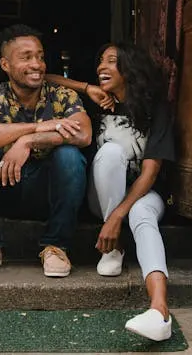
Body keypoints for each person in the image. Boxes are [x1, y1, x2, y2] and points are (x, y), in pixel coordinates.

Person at [46, 42, 177, 342]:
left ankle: (159, 311)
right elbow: (47, 79)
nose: (102, 67)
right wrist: (88, 88)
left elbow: (151, 171)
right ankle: (113, 248)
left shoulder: (155, 108)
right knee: (109, 154)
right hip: (101, 198)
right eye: (100, 61)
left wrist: (119, 215)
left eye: (111, 62)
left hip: (144, 195)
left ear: (130, 69)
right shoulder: (98, 102)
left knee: (143, 212)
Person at [0, 24, 92, 279]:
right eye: (26, 57)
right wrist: (37, 127)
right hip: (5, 186)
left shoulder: (62, 96)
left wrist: (27, 142)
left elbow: (83, 134)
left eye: (39, 56)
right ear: (5, 65)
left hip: (47, 190)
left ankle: (56, 246)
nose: (37, 64)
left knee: (70, 156)